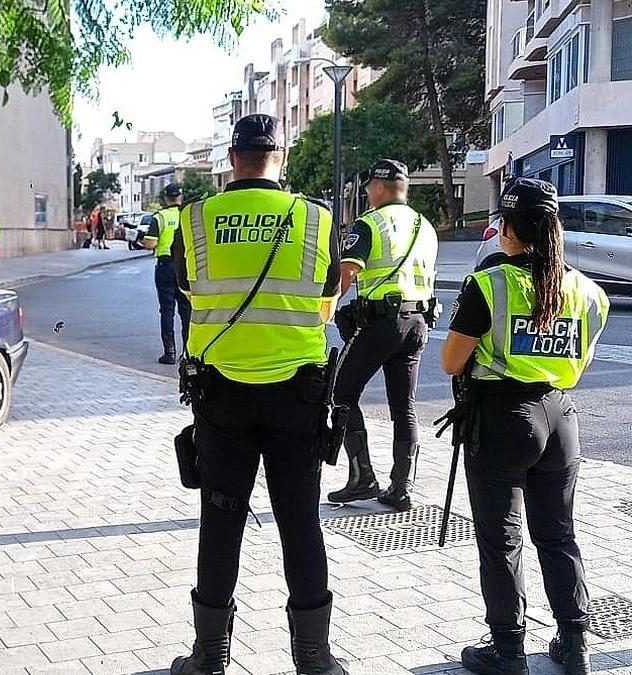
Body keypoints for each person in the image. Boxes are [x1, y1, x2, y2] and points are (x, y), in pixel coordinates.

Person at [169, 114, 347, 675]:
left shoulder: (195, 219)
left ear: (231, 156)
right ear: (283, 155)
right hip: (298, 396)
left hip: (221, 397)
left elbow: (185, 287)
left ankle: (209, 657)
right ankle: (314, 660)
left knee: (220, 520)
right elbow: (327, 295)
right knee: (300, 521)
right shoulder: (317, 220)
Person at [442, 178, 608, 675]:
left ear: (508, 228)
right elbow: (583, 355)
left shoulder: (489, 283)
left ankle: (509, 650)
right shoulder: (587, 289)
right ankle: (575, 643)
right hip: (561, 417)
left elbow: (451, 361)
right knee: (558, 535)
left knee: (501, 541)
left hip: (503, 420)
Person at [328, 159, 439, 511]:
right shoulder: (426, 226)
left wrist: (322, 312)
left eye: (368, 188)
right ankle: (401, 488)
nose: (366, 194)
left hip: (380, 324)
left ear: (378, 187)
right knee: (403, 405)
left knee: (340, 392)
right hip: (418, 324)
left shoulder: (370, 223)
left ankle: (362, 478)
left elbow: (345, 276)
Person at [144, 183, 192, 365]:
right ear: (181, 196)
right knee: (187, 310)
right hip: (186, 267)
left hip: (166, 266)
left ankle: (169, 353)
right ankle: (188, 353)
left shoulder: (160, 217)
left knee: (167, 309)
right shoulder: (188, 215)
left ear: (166, 198)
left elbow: (150, 244)